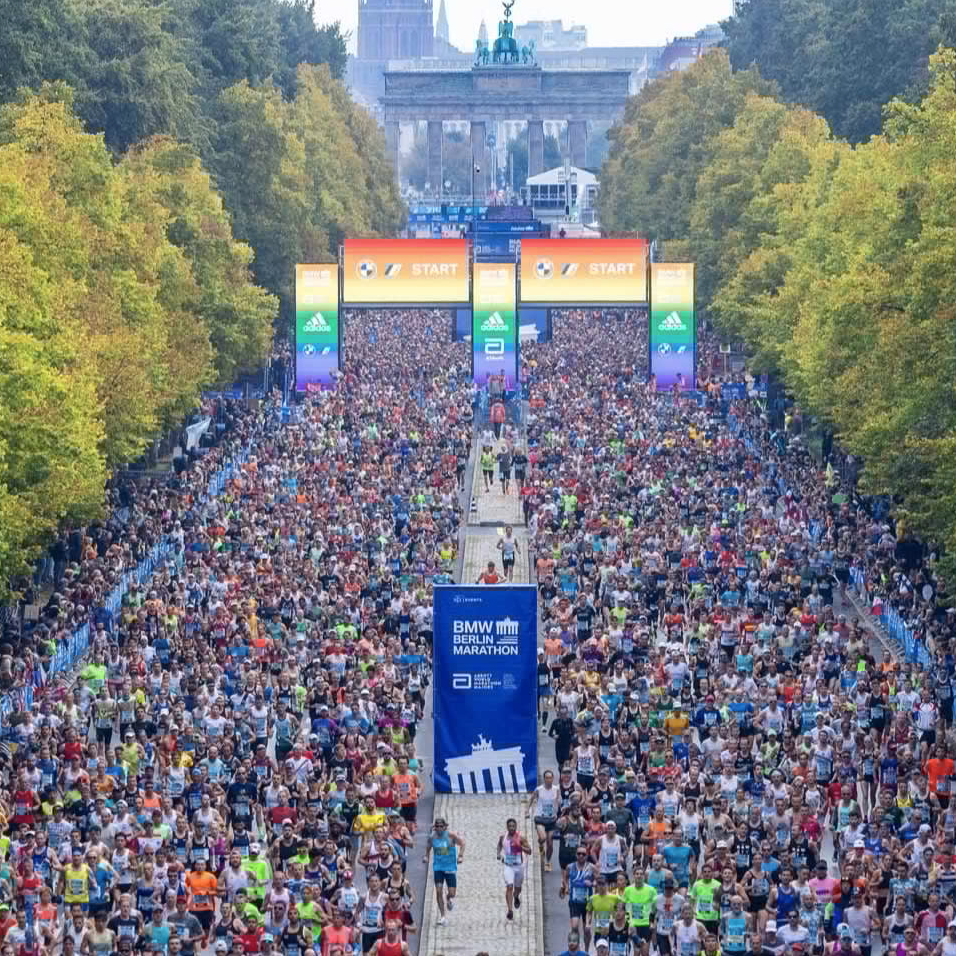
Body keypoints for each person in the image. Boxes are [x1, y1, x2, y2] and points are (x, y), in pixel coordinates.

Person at [422, 817, 464, 926]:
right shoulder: (432, 837)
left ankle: (448, 898)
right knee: (438, 891)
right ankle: (443, 916)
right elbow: (428, 847)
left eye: (441, 826)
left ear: (445, 826)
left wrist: (460, 856)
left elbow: (462, 843)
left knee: (452, 893)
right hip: (438, 868)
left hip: (450, 868)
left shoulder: (451, 836)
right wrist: (426, 856)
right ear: (435, 828)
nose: (439, 828)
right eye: (437, 827)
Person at [497, 818, 532, 921]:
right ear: (507, 827)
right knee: (509, 886)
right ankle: (510, 910)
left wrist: (521, 847)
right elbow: (499, 845)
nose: (512, 828)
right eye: (510, 826)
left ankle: (516, 897)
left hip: (518, 866)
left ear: (516, 827)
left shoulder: (521, 838)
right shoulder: (503, 837)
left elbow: (529, 851)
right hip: (508, 866)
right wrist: (498, 854)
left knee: (518, 888)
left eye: (513, 826)